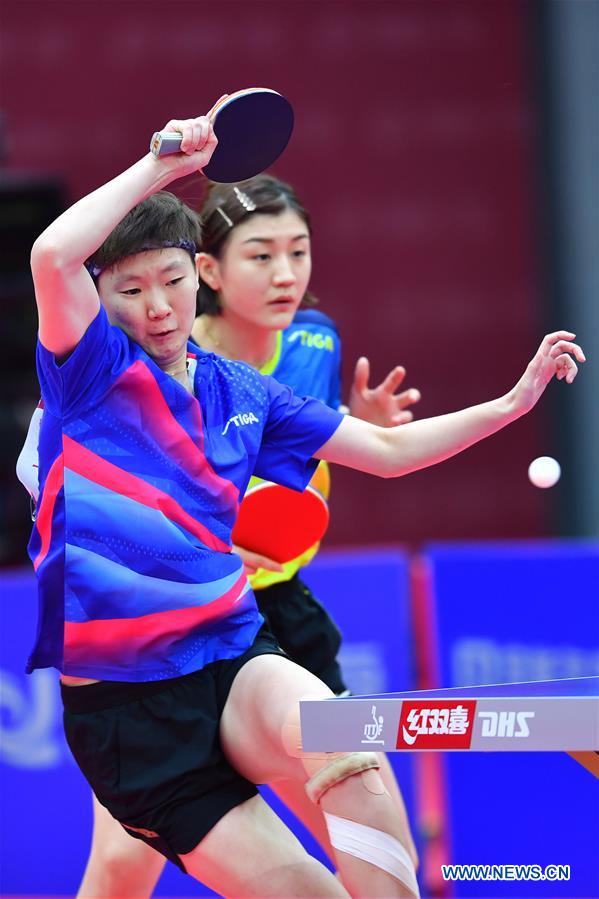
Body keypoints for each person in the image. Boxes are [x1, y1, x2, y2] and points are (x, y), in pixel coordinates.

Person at [27, 111, 584, 899]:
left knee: (343, 740)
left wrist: (509, 404)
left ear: (196, 274)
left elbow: (384, 452)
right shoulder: (90, 375)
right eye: (130, 290)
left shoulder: (241, 391)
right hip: (131, 712)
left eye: (172, 281)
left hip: (230, 649)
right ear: (101, 297)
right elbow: (51, 253)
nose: (157, 307)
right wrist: (166, 168)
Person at [17, 171, 421, 897]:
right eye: (260, 255)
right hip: (142, 649)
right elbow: (49, 470)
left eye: (297, 251)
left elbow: (312, 459)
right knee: (121, 859)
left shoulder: (309, 345)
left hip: (264, 618)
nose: (285, 274)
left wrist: (363, 428)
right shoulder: (128, 352)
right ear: (210, 268)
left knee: (352, 776)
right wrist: (172, 538)